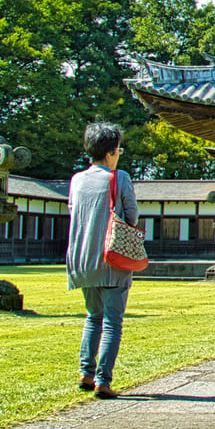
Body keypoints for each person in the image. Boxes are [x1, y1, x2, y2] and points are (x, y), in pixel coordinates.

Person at [67, 121, 140, 398]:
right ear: (111, 152)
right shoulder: (118, 178)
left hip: (83, 257)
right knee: (112, 321)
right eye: (118, 149)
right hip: (112, 257)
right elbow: (131, 215)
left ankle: (86, 373)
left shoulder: (77, 180)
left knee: (92, 316)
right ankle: (103, 380)